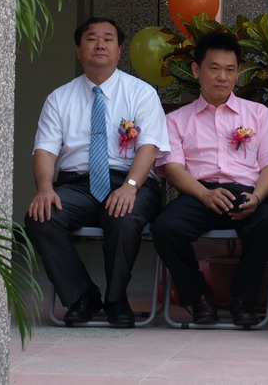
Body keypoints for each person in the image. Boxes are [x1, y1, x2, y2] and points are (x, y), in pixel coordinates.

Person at [25, 17, 168, 327]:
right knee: (41, 216)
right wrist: (45, 188)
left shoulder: (142, 93)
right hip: (77, 185)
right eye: (91, 39)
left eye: (108, 39)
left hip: (131, 180)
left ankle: (117, 300)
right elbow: (45, 150)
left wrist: (130, 186)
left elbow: (149, 147)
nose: (100, 44)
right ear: (79, 50)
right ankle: (82, 297)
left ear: (119, 50)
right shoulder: (59, 98)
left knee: (124, 217)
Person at [150, 30, 268, 327]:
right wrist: (204, 195)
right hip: (199, 194)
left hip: (247, 193)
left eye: (230, 69)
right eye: (214, 68)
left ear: (238, 73)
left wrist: (258, 197)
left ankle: (243, 300)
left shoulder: (260, 115)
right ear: (197, 70)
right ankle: (199, 298)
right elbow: (173, 170)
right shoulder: (176, 120)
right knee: (165, 227)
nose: (222, 76)